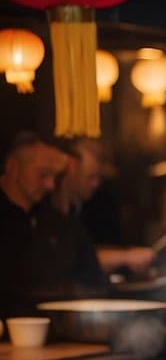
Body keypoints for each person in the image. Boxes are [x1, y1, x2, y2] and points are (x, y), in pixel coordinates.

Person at [0, 133, 107, 317]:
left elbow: (84, 269)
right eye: (43, 175)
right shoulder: (10, 220)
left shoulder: (46, 218)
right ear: (13, 168)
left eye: (55, 177)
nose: (50, 185)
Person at [50, 139, 155, 276]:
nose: (96, 184)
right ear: (71, 171)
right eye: (90, 177)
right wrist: (126, 256)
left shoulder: (102, 203)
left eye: (98, 177)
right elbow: (74, 258)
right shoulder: (51, 208)